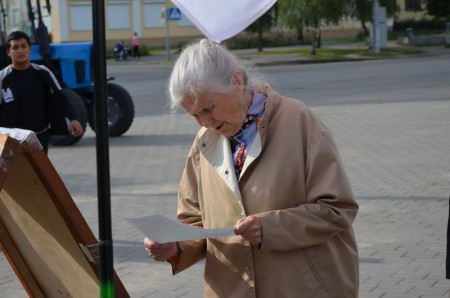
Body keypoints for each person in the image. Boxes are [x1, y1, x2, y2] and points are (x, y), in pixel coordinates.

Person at [144, 39, 359, 297]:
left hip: (300, 287)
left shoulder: (299, 121)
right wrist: (178, 246)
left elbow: (337, 209)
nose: (205, 122)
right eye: (194, 115)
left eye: (208, 108)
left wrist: (270, 227)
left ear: (236, 80)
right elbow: (194, 220)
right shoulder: (204, 141)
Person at [0, 31, 83, 153]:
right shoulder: (2, 78)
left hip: (40, 138)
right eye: (15, 47)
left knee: (39, 172)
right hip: (11, 141)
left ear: (30, 49)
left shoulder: (43, 72)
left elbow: (60, 98)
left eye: (24, 46)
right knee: (15, 173)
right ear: (8, 52)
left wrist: (73, 119)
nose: (20, 51)